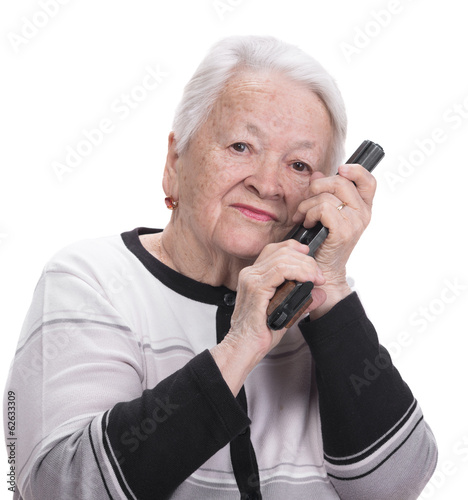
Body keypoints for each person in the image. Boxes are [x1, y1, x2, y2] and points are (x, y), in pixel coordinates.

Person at [4, 35, 437, 500]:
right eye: (240, 146)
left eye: (298, 164)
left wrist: (330, 291)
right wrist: (241, 345)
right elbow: (63, 487)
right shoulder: (91, 280)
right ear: (175, 162)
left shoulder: (317, 307)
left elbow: (396, 486)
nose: (268, 184)